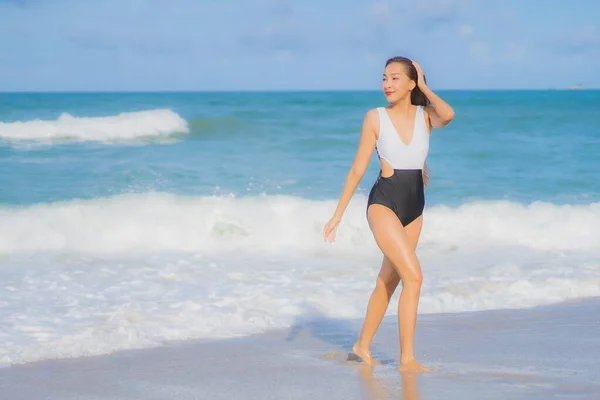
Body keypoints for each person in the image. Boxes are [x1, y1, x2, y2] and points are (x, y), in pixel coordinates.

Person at [323, 56, 455, 372]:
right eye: (384, 78)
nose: (387, 85)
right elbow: (357, 169)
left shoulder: (426, 117)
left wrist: (424, 85)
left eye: (395, 78)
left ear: (411, 83)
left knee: (389, 279)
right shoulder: (375, 118)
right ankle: (407, 360)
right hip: (383, 203)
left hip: (415, 207)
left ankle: (361, 346)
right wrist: (338, 214)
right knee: (414, 276)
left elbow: (448, 114)